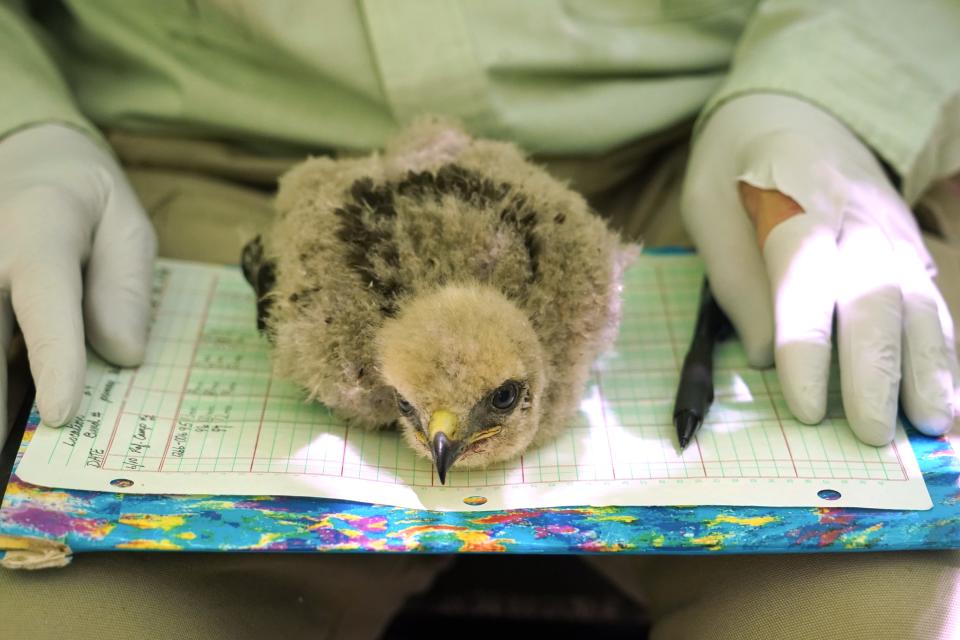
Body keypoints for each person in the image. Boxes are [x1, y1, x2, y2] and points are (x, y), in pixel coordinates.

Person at [1, 1, 959, 638]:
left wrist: (827, 97)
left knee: (893, 606)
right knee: (57, 616)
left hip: (686, 156)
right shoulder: (332, 336)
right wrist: (19, 124)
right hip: (207, 170)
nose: (446, 442)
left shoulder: (585, 287)